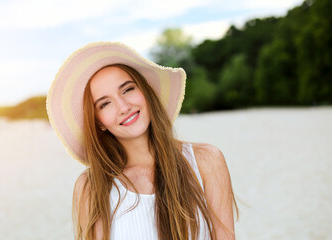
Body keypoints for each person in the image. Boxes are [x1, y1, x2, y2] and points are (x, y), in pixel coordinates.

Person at [46, 42, 238, 240]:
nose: (123, 106)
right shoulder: (92, 186)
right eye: (105, 104)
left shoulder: (206, 161)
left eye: (127, 90)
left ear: (145, 91)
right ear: (98, 122)